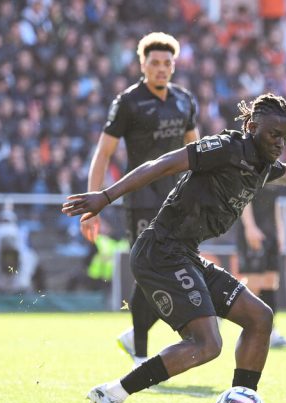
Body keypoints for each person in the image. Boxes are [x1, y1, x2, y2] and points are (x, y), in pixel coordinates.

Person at [62, 94, 286, 403]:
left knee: (260, 318)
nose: (280, 143)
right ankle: (113, 393)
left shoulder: (262, 163)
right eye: (274, 135)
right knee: (207, 344)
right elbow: (163, 163)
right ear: (252, 127)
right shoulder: (228, 147)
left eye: (284, 137)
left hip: (186, 254)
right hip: (160, 252)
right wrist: (105, 196)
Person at [81, 32, 199, 367]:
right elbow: (103, 153)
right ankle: (141, 353)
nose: (161, 68)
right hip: (141, 199)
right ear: (142, 65)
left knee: (171, 269)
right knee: (149, 270)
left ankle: (135, 335)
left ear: (174, 65)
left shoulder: (185, 100)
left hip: (176, 200)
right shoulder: (128, 102)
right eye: (154, 63)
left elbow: (195, 150)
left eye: (167, 63)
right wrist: (94, 203)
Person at [237, 188, 286, 348]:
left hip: (270, 231)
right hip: (253, 229)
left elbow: (276, 201)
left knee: (271, 282)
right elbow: (244, 198)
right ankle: (223, 310)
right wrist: (250, 227)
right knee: (253, 282)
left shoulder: (276, 171)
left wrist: (280, 231)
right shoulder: (252, 167)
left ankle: (271, 332)